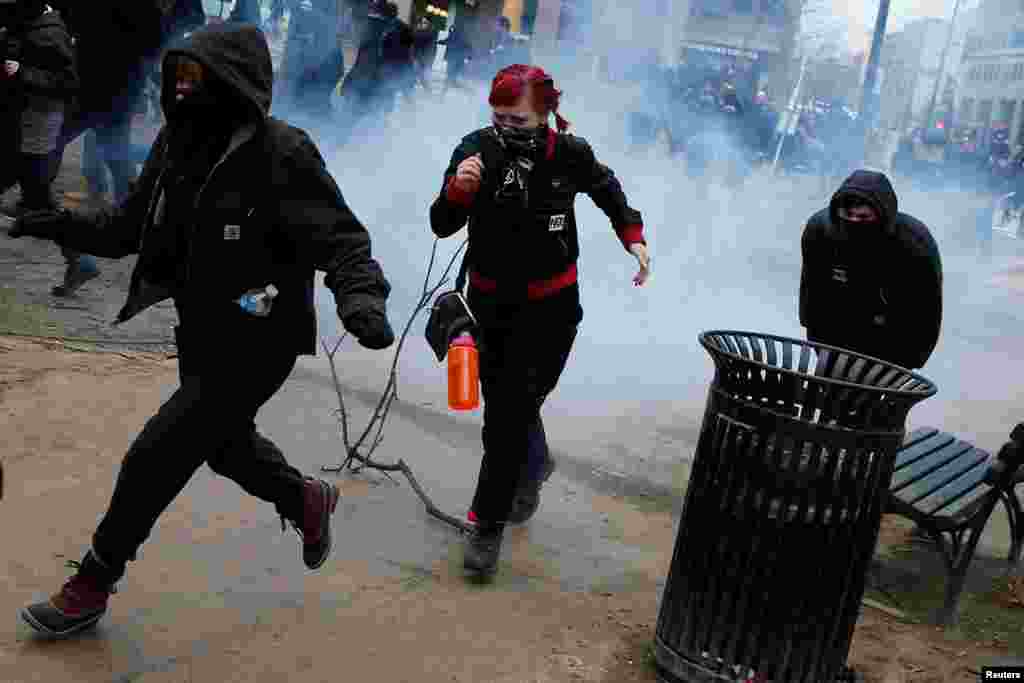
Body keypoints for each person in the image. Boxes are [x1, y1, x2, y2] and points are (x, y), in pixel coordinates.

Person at [9, 22, 396, 638]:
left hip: (261, 341)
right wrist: (52, 222)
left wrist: (362, 301)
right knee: (221, 446)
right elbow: (124, 231)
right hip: (202, 332)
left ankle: (94, 579)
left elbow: (345, 243)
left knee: (157, 452)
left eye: (197, 80)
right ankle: (303, 499)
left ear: (234, 84)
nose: (183, 92)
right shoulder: (175, 144)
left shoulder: (283, 152)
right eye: (176, 80)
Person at [429, 64, 650, 576]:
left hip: (551, 310)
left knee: (515, 408)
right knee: (507, 412)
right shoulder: (475, 149)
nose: (508, 128)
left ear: (546, 114)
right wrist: (458, 192)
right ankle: (510, 495)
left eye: (520, 120)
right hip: (488, 306)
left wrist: (633, 237)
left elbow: (606, 188)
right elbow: (442, 225)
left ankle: (510, 495)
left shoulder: (569, 153)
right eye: (500, 117)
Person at [799, 170, 942, 370]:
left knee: (870, 396)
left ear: (882, 214)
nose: (855, 221)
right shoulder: (821, 231)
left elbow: (926, 314)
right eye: (848, 215)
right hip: (838, 327)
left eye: (864, 217)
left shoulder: (913, 245)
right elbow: (812, 291)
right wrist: (818, 342)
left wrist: (909, 363)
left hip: (891, 336)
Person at [0, 0, 78, 216]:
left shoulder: (51, 35)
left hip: (41, 112)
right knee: (27, 162)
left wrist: (22, 72)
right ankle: (36, 207)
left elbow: (67, 81)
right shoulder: (26, 26)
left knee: (33, 164)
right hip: (23, 109)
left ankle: (40, 212)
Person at [412, 16, 437, 92]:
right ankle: (408, 95)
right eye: (422, 22)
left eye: (425, 23)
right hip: (418, 58)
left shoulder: (430, 32)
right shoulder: (419, 31)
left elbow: (432, 48)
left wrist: (429, 61)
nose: (423, 24)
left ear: (429, 24)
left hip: (425, 59)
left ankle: (429, 92)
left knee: (423, 78)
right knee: (413, 77)